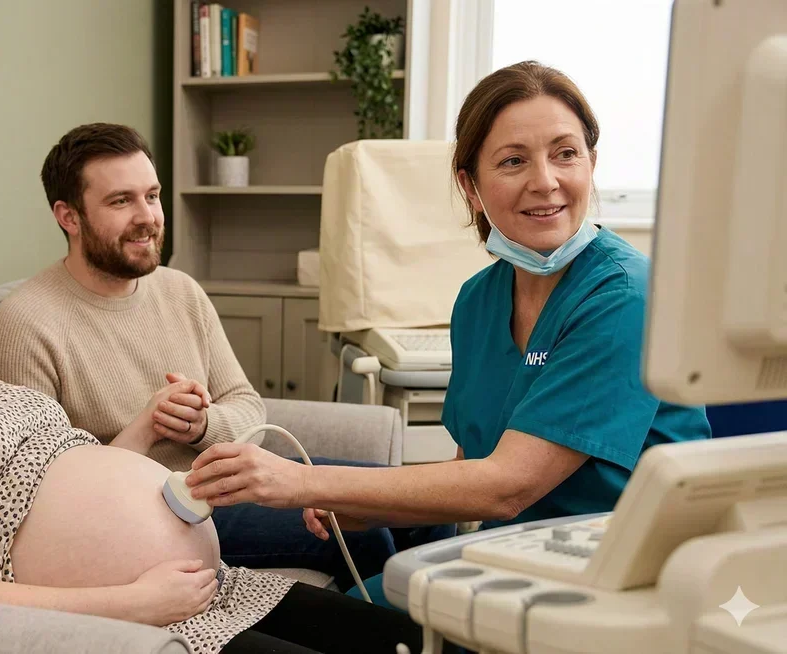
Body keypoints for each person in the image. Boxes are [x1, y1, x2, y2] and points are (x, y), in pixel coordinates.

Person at [0, 195, 424, 654]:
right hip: (122, 627)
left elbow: (64, 464)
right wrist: (134, 603)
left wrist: (142, 436)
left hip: (211, 589)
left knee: (405, 641)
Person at [181, 61, 713, 606]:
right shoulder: (478, 300)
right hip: (511, 563)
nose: (545, 180)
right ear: (471, 186)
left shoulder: (625, 297)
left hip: (611, 582)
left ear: (591, 165)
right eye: (512, 161)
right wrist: (368, 507)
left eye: (565, 153)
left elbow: (508, 487)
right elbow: (470, 470)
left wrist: (301, 482)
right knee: (286, 614)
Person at [0, 122, 401, 591]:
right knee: (365, 532)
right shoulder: (25, 324)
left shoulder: (181, 291)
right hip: (161, 515)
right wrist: (149, 423)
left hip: (231, 480)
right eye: (121, 201)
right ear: (68, 216)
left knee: (410, 504)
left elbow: (246, 404)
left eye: (152, 196)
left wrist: (201, 426)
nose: (148, 217)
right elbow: (50, 499)